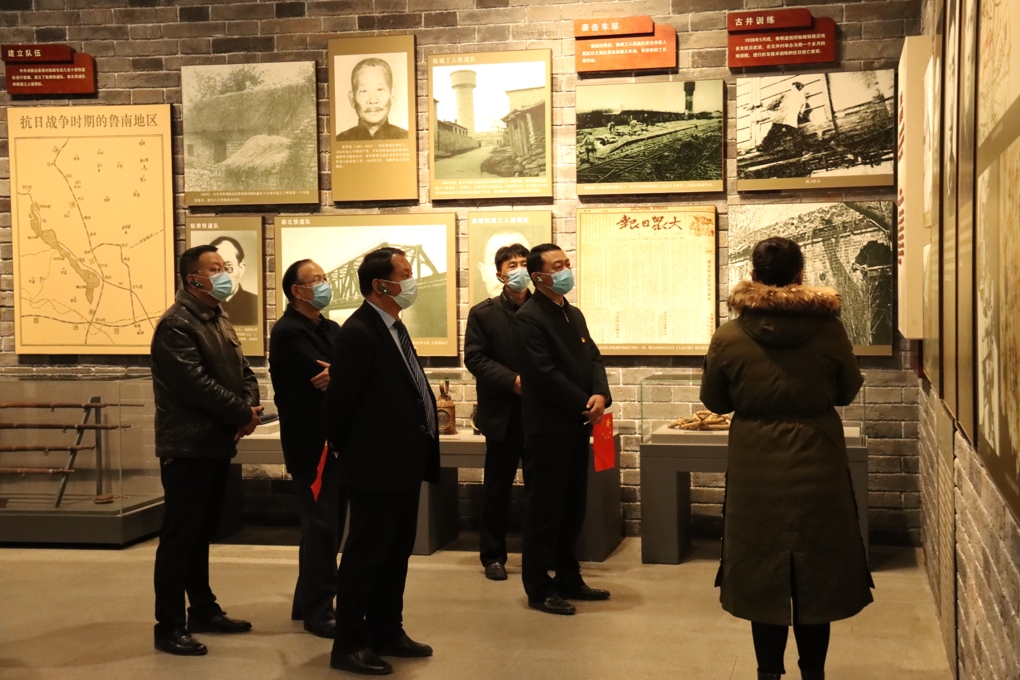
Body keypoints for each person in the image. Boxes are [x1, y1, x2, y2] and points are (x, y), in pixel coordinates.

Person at [700, 237, 873, 680]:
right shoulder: (829, 330)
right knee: (818, 568)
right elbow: (846, 391)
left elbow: (715, 401)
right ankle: (813, 672)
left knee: (762, 567)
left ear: (754, 276)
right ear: (800, 274)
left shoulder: (729, 335)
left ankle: (768, 672)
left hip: (754, 463)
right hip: (819, 458)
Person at [325, 247, 439, 675]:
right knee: (365, 556)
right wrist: (349, 450)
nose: (412, 281)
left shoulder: (393, 327)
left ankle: (387, 630)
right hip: (375, 466)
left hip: (403, 463)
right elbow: (340, 403)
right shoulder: (358, 332)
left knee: (395, 553)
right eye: (405, 274)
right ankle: (349, 644)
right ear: (381, 285)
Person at [150, 244, 263, 656]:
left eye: (224, 267)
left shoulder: (217, 317)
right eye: (214, 269)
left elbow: (244, 372)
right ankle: (168, 626)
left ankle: (202, 609)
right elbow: (194, 384)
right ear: (192, 278)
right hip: (188, 445)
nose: (223, 274)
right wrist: (242, 413)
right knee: (179, 538)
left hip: (215, 443)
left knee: (200, 535)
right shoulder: (176, 325)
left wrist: (248, 407)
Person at [510, 243, 613, 616]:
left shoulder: (573, 313)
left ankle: (569, 578)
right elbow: (543, 373)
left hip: (576, 425)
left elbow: (593, 358)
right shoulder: (528, 318)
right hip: (547, 428)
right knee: (544, 511)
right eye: (558, 266)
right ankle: (539, 587)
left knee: (572, 508)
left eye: (567, 263)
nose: (567, 270)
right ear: (538, 277)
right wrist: (585, 402)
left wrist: (600, 394)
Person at [269, 259, 345, 639]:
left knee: (326, 526)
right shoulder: (287, 332)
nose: (324, 284)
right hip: (310, 443)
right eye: (316, 280)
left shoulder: (330, 327)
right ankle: (319, 611)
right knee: (321, 527)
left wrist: (341, 372)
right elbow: (319, 376)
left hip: (335, 440)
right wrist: (343, 372)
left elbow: (347, 369)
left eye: (325, 278)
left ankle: (305, 602)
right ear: (296, 291)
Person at [464, 243, 531, 581]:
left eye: (524, 263)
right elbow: (475, 358)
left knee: (541, 489)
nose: (519, 269)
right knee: (497, 488)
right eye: (512, 265)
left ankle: (540, 554)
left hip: (540, 414)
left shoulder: (545, 309)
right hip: (502, 413)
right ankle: (493, 556)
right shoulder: (484, 313)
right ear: (500, 274)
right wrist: (511, 381)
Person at [336, 58, 408, 142]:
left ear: (392, 95)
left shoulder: (405, 138)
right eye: (364, 91)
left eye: (380, 89)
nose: (373, 100)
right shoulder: (340, 140)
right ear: (352, 99)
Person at [208, 235, 258, 326]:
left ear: (241, 269)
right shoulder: (201, 305)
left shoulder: (255, 304)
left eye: (228, 268)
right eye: (215, 269)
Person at [475, 230, 532, 304]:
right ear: (483, 271)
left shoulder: (542, 308)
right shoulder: (481, 311)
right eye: (495, 262)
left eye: (524, 264)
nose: (519, 271)